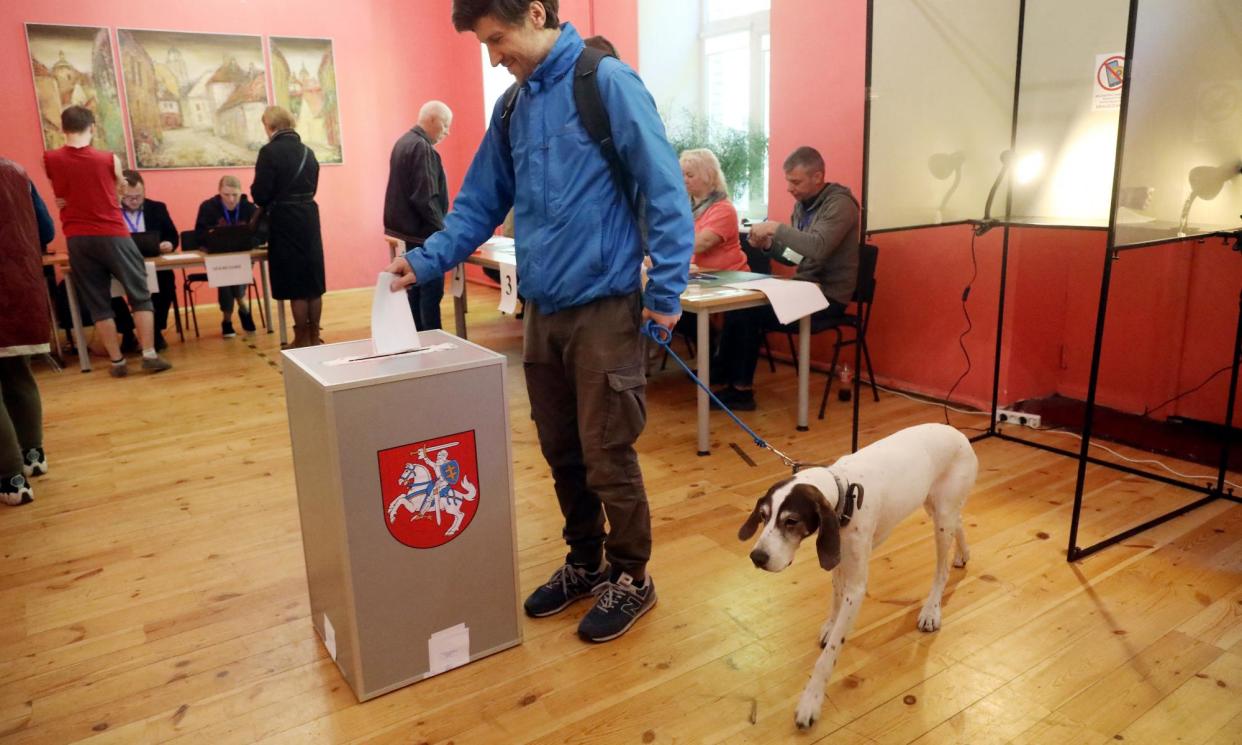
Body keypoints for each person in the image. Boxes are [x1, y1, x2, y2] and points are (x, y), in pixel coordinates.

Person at [385, 0, 693, 642]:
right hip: (543, 312)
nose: (495, 58)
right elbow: (475, 206)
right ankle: (586, 562)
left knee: (607, 452)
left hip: (607, 308)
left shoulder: (606, 82)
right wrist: (425, 259)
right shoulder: (513, 108)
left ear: (535, 13)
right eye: (485, 47)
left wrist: (664, 294)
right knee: (561, 450)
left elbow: (665, 190)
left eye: (498, 40)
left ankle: (633, 576)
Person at [712, 146, 859, 411]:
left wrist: (777, 228)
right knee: (738, 304)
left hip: (829, 296)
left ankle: (741, 391)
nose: (790, 188)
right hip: (804, 288)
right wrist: (769, 245)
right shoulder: (802, 207)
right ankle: (724, 377)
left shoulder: (841, 205)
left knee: (748, 313)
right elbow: (796, 257)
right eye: (788, 181)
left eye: (796, 182)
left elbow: (818, 248)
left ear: (818, 177)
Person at [42, 106, 172, 377]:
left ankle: (116, 361)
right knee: (139, 294)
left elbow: (63, 193)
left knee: (98, 302)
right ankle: (149, 354)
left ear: (62, 129)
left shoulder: (49, 159)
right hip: (112, 231)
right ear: (92, 127)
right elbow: (119, 191)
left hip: (77, 237)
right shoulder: (108, 159)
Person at [252, 106, 325, 348]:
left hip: (284, 220)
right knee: (313, 282)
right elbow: (313, 187)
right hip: (309, 217)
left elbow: (261, 194)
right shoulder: (308, 151)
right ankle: (314, 335)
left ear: (270, 126)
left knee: (296, 283)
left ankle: (300, 337)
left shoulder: (269, 153)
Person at [0, 158, 50, 506]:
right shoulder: (18, 172)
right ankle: (34, 456)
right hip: (21, 288)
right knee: (19, 373)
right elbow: (45, 230)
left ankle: (10, 479)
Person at [384, 100, 453, 330]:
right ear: (432, 120)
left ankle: (415, 340)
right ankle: (432, 343)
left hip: (405, 233)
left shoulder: (403, 142)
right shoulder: (422, 148)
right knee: (430, 296)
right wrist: (444, 232)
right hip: (423, 235)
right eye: (445, 125)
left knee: (413, 294)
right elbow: (426, 198)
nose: (447, 132)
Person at [120, 170, 179, 350]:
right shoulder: (109, 211)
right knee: (107, 291)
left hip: (154, 262)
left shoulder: (157, 208)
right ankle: (127, 332)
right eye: (129, 197)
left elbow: (172, 234)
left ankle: (155, 330)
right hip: (121, 264)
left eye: (139, 196)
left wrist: (169, 243)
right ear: (119, 193)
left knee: (167, 281)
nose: (135, 201)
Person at [196, 175, 258, 337]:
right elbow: (199, 234)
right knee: (225, 277)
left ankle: (227, 322)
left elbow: (259, 234)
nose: (231, 199)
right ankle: (242, 305)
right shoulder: (208, 207)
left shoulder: (250, 208)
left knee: (231, 276)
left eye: (235, 195)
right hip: (216, 255)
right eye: (226, 195)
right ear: (219, 192)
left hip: (242, 255)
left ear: (241, 193)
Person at [679, 148, 748, 271]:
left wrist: (666, 248)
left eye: (690, 175)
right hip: (700, 276)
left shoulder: (724, 209)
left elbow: (702, 243)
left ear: (709, 176)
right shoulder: (683, 207)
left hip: (730, 278)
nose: (684, 180)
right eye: (681, 175)